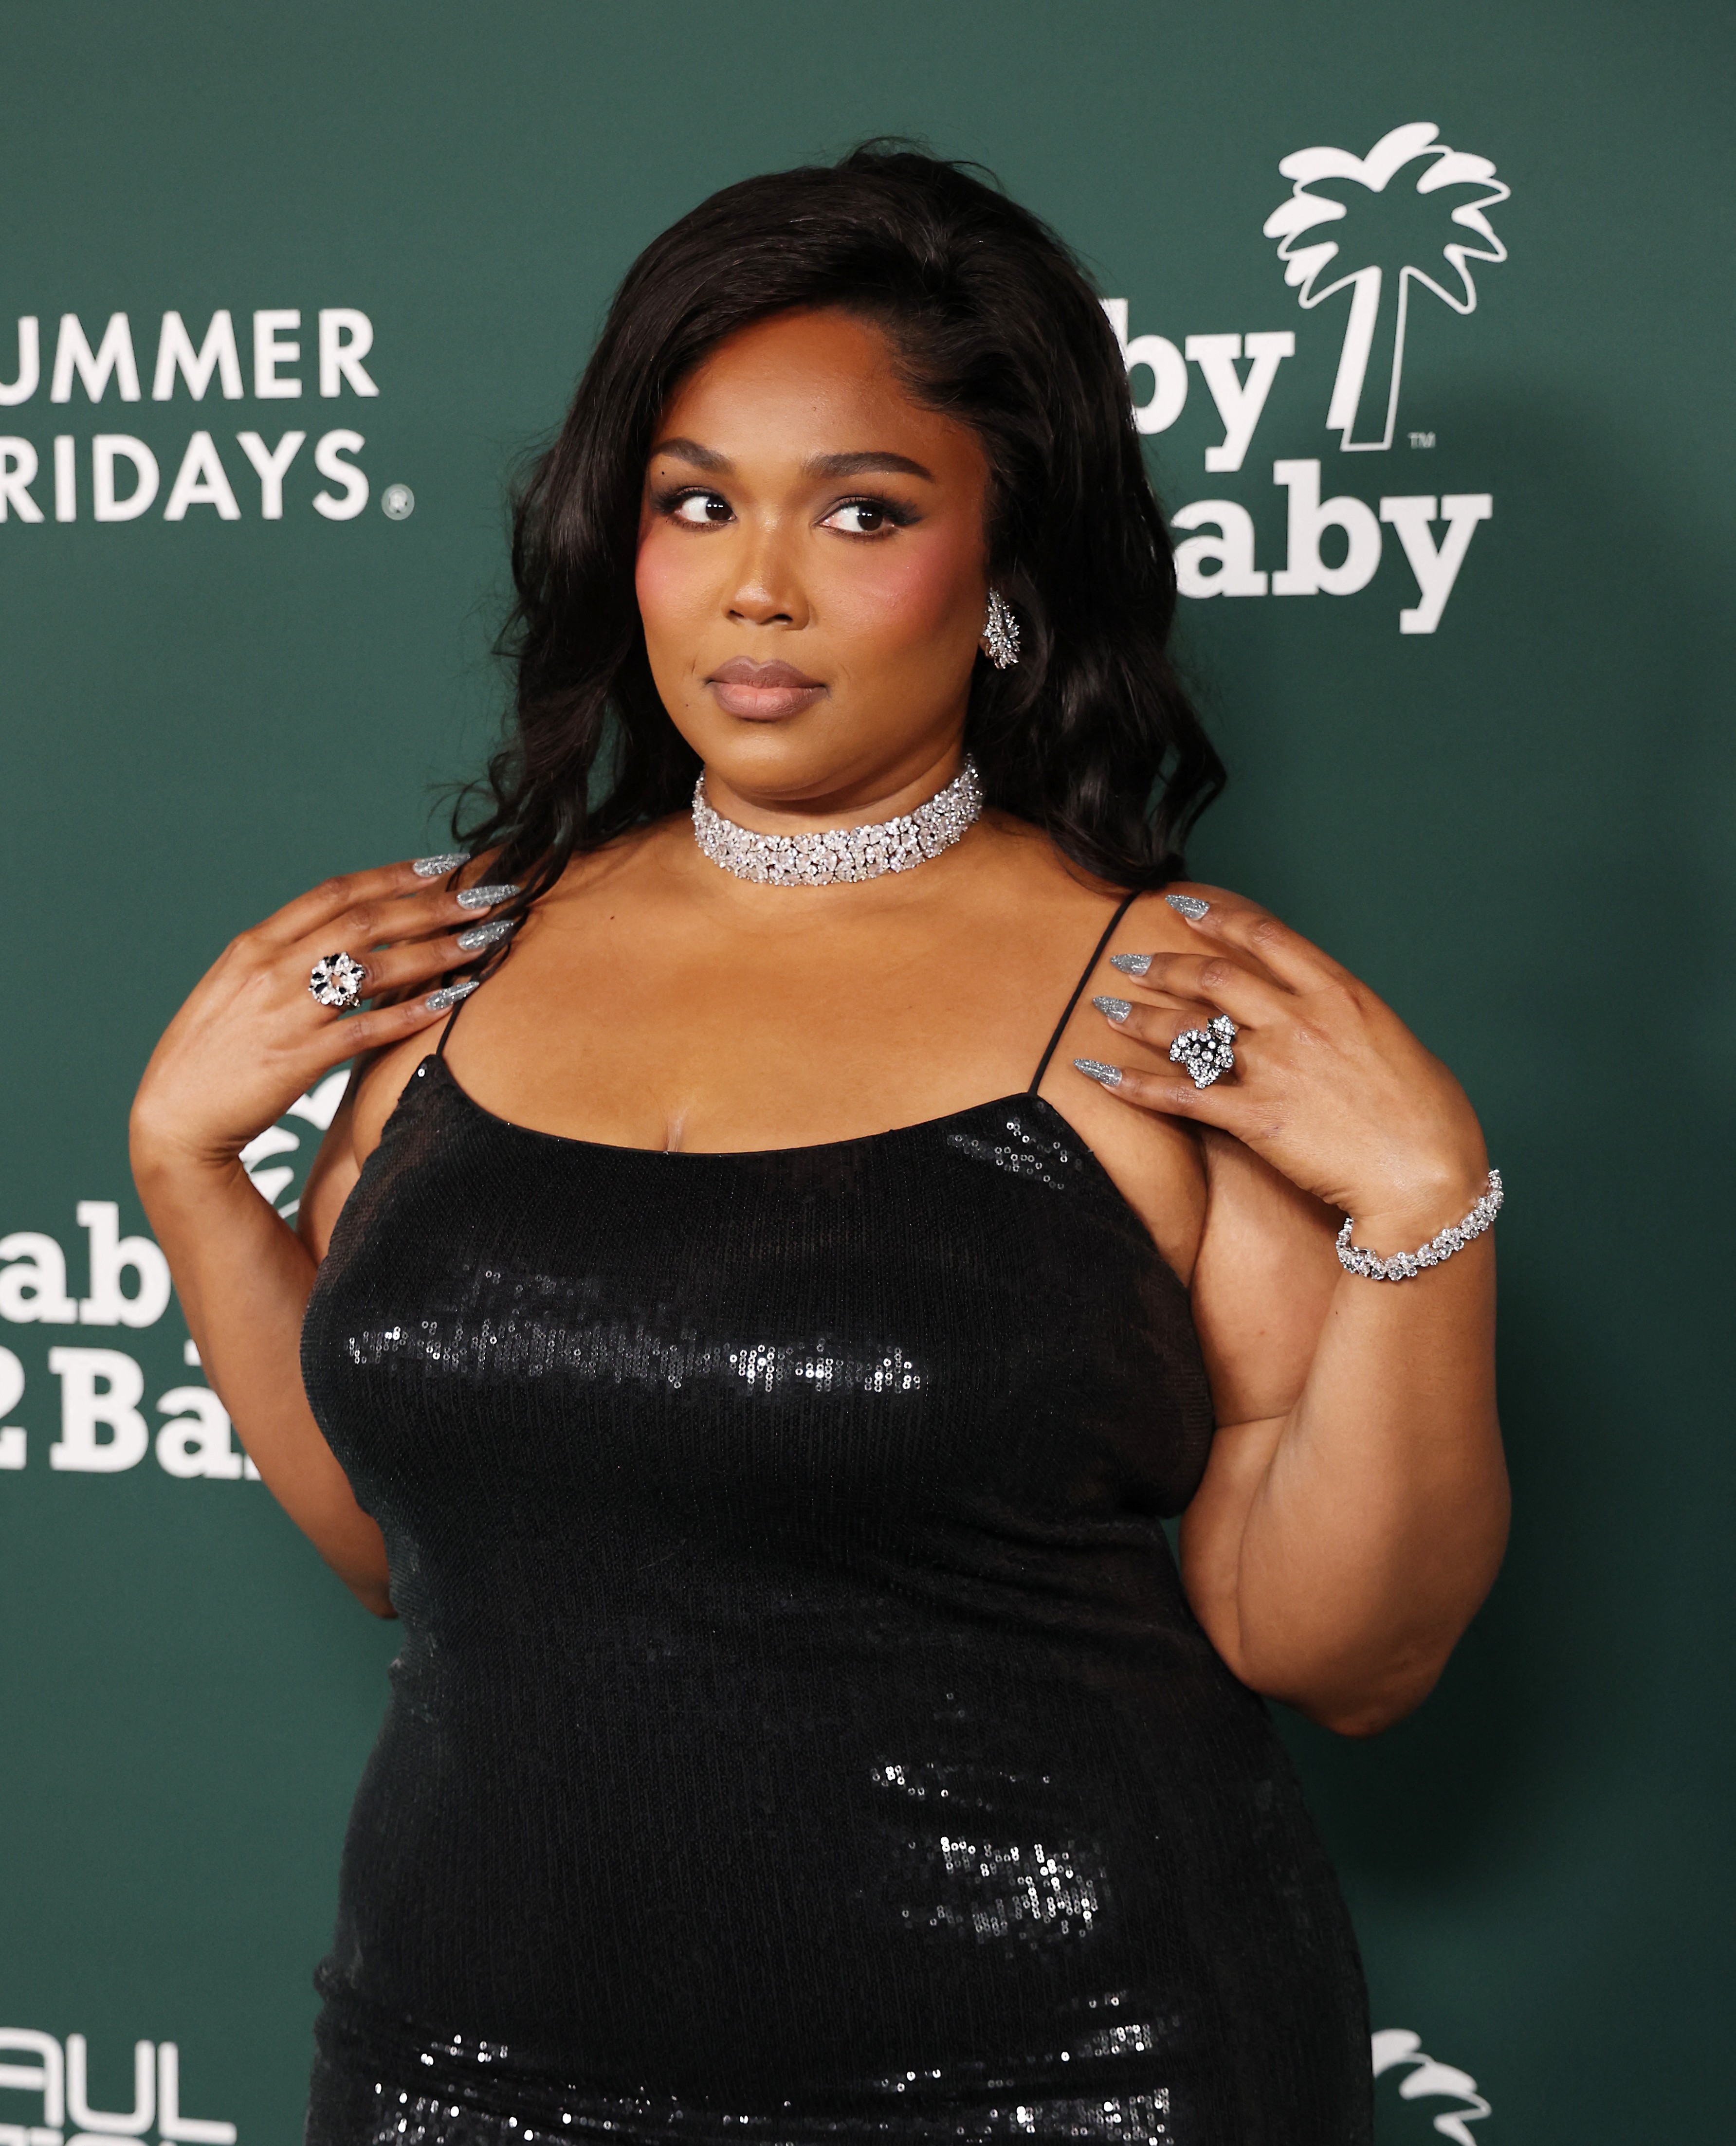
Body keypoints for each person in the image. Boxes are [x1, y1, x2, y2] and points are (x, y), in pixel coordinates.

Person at [129, 148, 1508, 2146]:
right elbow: (401, 1552)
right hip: (469, 2074)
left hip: (1065, 2076)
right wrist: (187, 1174)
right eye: (697, 502)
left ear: (1007, 565)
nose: (756, 586)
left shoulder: (1161, 1000)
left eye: (863, 510)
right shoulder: (466, 961)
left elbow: (1343, 1652)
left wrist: (1424, 1209)